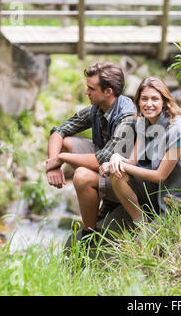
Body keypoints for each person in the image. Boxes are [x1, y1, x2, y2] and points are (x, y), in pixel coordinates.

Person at [45, 62, 136, 241]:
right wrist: (52, 164)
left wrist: (61, 158)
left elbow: (101, 159)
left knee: (81, 176)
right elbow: (59, 131)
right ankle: (104, 204)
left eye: (91, 88)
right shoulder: (98, 108)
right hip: (106, 164)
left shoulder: (127, 117)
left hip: (127, 178)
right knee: (67, 142)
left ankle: (89, 233)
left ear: (108, 91)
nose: (86, 92)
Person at [100, 77, 181, 227]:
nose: (148, 104)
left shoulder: (178, 131)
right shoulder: (143, 122)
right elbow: (132, 161)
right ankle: (140, 223)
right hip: (161, 193)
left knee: (144, 246)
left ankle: (155, 226)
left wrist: (119, 165)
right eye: (144, 99)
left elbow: (159, 176)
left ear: (164, 101)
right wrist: (115, 158)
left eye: (154, 99)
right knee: (116, 174)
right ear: (138, 101)